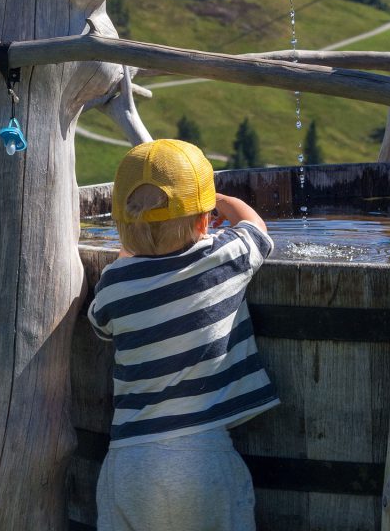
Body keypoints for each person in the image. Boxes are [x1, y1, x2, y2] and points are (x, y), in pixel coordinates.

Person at [88, 138, 279, 531]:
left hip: (127, 462)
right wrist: (220, 199)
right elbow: (256, 227)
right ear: (204, 219)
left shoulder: (114, 284)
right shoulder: (224, 258)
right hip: (201, 459)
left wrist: (132, 251)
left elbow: (99, 324)